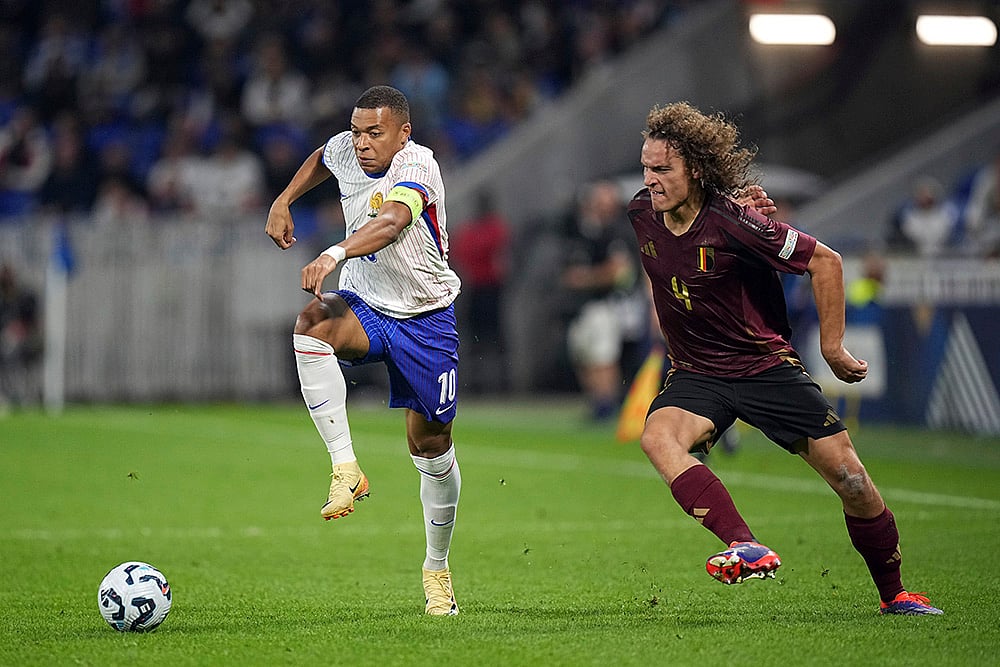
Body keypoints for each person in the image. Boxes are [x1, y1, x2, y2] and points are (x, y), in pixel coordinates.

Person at [626, 101, 942, 615]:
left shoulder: (736, 224)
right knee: (657, 438)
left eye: (663, 169)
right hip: (698, 373)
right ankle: (743, 544)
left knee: (852, 480)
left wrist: (832, 348)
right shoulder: (642, 213)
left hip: (763, 369)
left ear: (696, 170)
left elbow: (826, 262)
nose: (650, 180)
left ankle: (896, 595)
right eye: (646, 167)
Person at [265, 86, 461, 616]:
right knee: (311, 326)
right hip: (368, 303)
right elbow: (320, 159)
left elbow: (393, 222)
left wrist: (332, 250)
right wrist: (284, 199)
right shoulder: (347, 150)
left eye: (375, 132)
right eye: (357, 130)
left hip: (426, 318)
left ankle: (436, 566)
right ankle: (345, 467)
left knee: (431, 447)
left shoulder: (420, 166)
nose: (362, 142)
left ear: (404, 133)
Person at [560, 178, 644, 421]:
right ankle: (598, 403)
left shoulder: (617, 230)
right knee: (584, 354)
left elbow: (620, 272)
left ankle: (608, 405)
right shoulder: (583, 229)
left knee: (603, 355)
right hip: (582, 306)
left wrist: (585, 279)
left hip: (610, 304)